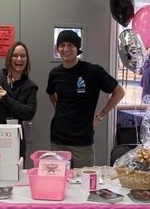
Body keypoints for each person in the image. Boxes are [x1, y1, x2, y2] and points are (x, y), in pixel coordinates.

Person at [46, 30, 125, 168]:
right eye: (62, 45)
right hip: (58, 139)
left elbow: (119, 92)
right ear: (57, 48)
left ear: (77, 48)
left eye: (70, 45)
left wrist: (100, 116)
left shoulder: (93, 71)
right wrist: (59, 110)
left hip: (82, 142)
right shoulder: (55, 74)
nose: (66, 49)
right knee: (59, 177)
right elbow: (51, 94)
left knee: (84, 180)